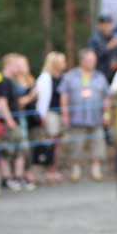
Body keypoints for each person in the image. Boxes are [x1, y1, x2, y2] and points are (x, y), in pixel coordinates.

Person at [59, 49, 110, 182]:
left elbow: (106, 97)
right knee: (77, 144)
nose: (92, 63)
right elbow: (64, 96)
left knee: (98, 143)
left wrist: (106, 113)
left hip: (96, 117)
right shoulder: (70, 76)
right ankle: (76, 169)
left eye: (94, 60)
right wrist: (65, 114)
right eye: (89, 60)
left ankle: (96, 168)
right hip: (77, 117)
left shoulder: (100, 76)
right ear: (82, 61)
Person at [0, 54, 34, 191]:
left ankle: (18, 176)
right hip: (8, 121)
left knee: (19, 150)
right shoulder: (2, 81)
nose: (18, 68)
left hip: (15, 119)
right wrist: (9, 120)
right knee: (6, 150)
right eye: (15, 65)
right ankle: (6, 178)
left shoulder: (11, 82)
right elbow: (2, 102)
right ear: (8, 65)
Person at [34, 51, 67, 184]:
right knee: (50, 141)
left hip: (60, 113)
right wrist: (42, 115)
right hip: (50, 113)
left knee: (57, 142)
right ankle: (49, 170)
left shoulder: (63, 77)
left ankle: (54, 168)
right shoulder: (45, 77)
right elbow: (42, 99)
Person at [88, 14, 117, 80]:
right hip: (101, 74)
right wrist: (108, 47)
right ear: (100, 25)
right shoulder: (94, 40)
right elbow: (93, 58)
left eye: (109, 24)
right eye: (104, 24)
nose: (107, 27)